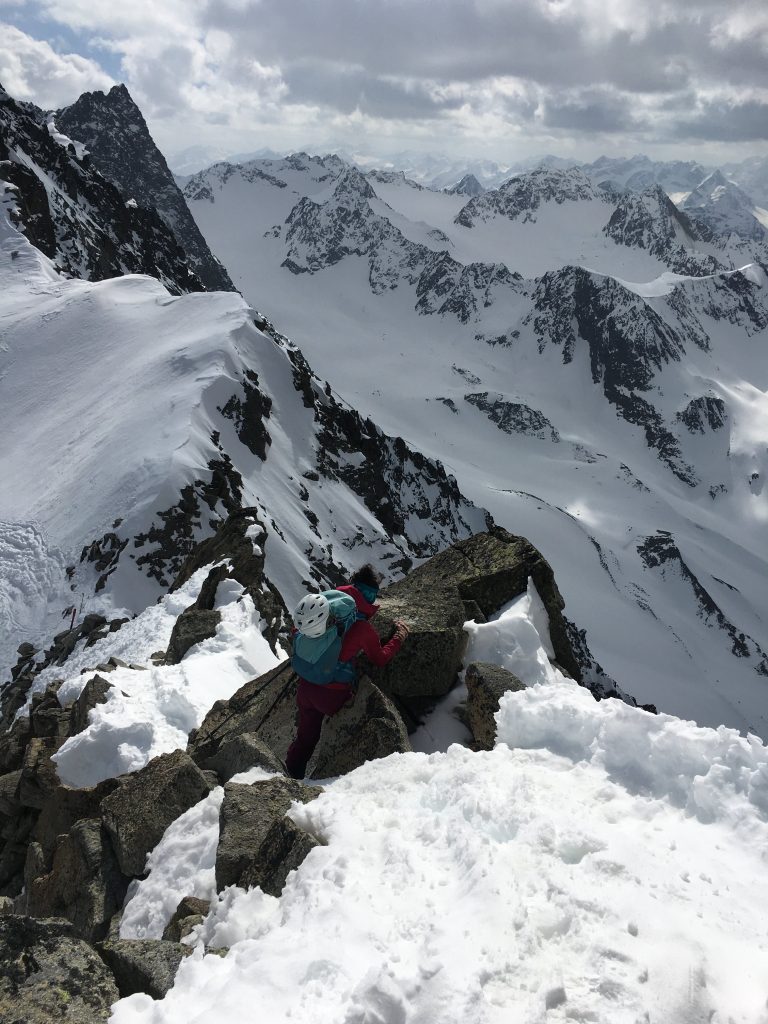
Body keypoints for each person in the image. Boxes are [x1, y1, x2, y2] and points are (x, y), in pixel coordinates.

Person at [285, 565, 409, 779]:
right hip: (333, 696)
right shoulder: (361, 627)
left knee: (306, 739)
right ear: (369, 597)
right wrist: (398, 638)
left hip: (305, 686)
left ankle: (290, 777)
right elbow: (379, 658)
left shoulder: (325, 611)